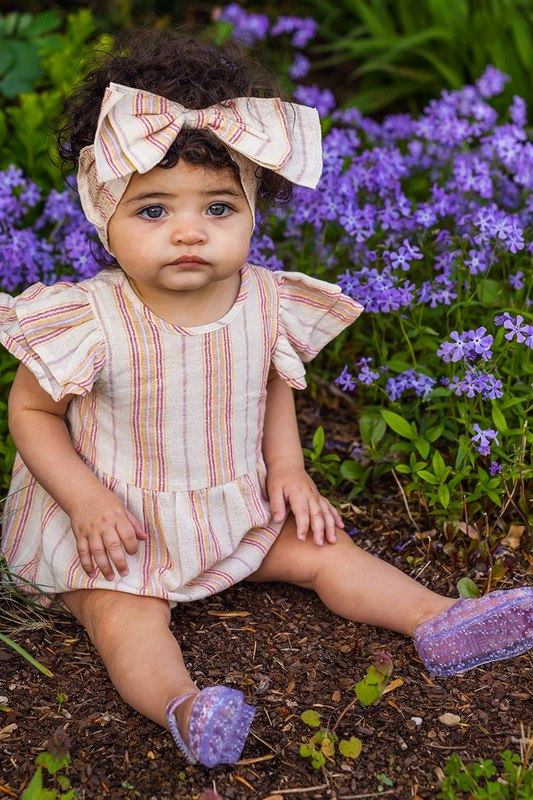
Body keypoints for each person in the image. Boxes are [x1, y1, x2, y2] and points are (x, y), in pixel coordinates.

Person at [1, 30, 532, 769]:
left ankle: (439, 618)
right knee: (124, 617)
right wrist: (85, 501)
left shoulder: (262, 298)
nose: (189, 231)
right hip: (115, 528)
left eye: (218, 208)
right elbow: (32, 414)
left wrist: (287, 471)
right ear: (103, 215)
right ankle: (184, 705)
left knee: (323, 550)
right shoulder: (88, 317)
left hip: (229, 506)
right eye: (153, 211)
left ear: (255, 207)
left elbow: (270, 380)